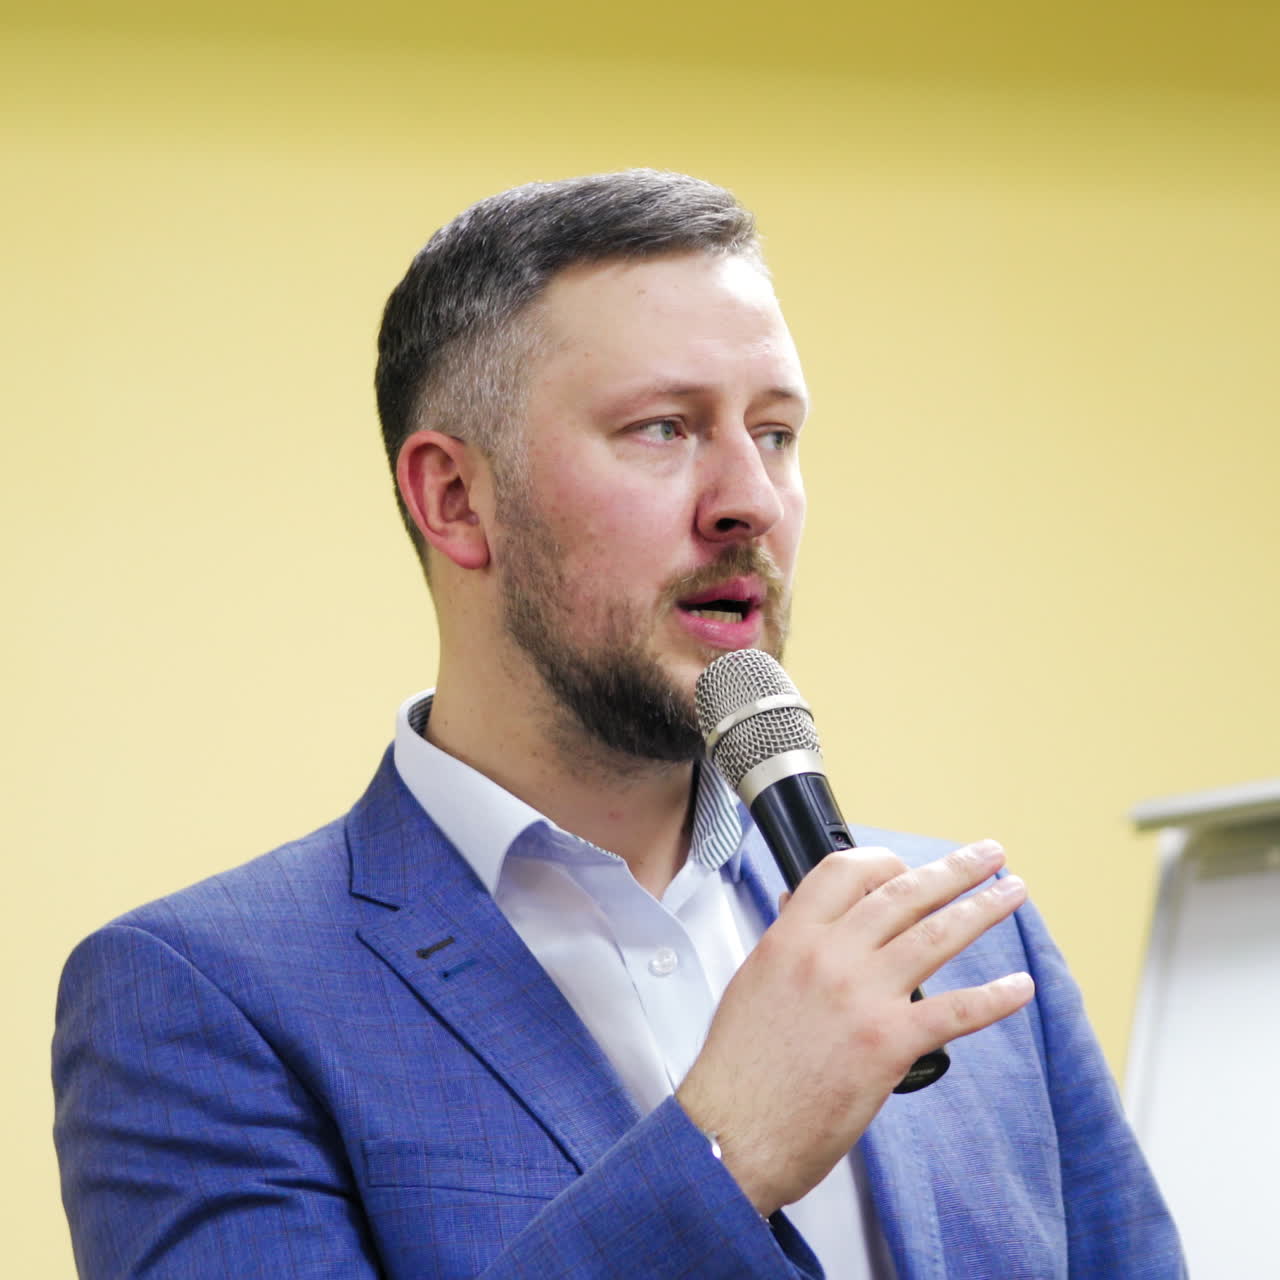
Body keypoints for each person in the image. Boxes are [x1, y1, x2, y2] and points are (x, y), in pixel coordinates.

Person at [53, 170, 1183, 1278]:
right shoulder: (204, 997)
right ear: (453, 499)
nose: (749, 497)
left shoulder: (966, 938)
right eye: (661, 427)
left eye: (777, 431)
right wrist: (722, 1150)